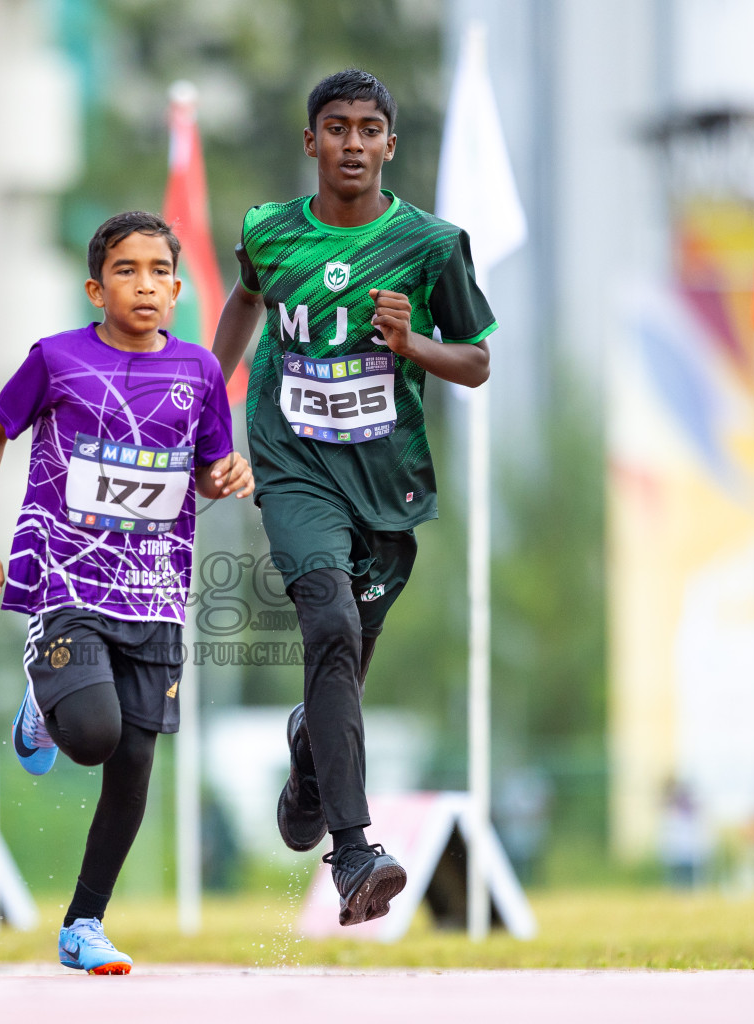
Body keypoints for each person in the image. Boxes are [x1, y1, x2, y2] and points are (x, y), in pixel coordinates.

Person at [211, 69, 496, 926]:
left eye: (369, 129)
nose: (353, 143)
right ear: (312, 143)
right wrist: (199, 410)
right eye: (336, 128)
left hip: (387, 482)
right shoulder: (269, 233)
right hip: (292, 464)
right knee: (327, 626)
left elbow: (477, 360)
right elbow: (242, 309)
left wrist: (414, 342)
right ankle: (354, 851)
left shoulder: (431, 244)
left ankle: (309, 758)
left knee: (344, 664)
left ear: (390, 146)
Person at [0, 211, 253, 974]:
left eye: (159, 271)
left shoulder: (200, 374)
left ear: (180, 289)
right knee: (93, 735)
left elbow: (206, 475)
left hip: (154, 593)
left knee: (133, 769)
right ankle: (49, 698)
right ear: (96, 287)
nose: (144, 284)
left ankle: (83, 926)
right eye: (126, 270)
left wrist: (229, 474)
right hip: (67, 577)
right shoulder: (55, 360)